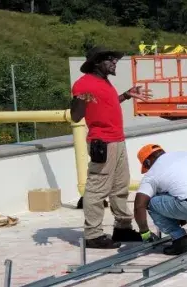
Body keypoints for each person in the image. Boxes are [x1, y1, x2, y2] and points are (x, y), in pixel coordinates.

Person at [70, 46, 152, 248]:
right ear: (97, 62)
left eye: (115, 58)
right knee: (97, 189)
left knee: (120, 187)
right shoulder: (84, 84)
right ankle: (93, 235)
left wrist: (126, 95)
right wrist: (80, 101)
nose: (114, 62)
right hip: (103, 142)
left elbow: (105, 106)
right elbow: (75, 115)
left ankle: (122, 229)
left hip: (117, 140)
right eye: (110, 59)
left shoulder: (104, 83)